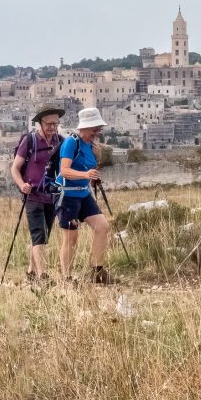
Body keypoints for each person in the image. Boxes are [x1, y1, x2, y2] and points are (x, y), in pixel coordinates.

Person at [56, 107, 116, 285]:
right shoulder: (70, 143)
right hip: (67, 196)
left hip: (83, 194)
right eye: (94, 130)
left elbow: (89, 170)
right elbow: (64, 171)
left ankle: (97, 271)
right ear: (84, 127)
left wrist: (93, 179)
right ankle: (67, 279)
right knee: (71, 238)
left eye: (98, 130)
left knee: (102, 227)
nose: (96, 134)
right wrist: (86, 176)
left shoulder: (92, 146)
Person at [10, 105, 65, 283]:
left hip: (52, 196)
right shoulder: (30, 141)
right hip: (33, 196)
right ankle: (43, 276)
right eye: (49, 124)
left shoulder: (61, 141)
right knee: (38, 233)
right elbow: (15, 168)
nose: (52, 127)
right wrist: (22, 185)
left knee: (45, 235)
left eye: (55, 124)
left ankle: (31, 273)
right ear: (40, 123)